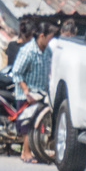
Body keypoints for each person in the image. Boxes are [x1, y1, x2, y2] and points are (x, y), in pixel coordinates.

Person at [8, 21, 55, 163]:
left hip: (41, 93)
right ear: (42, 36)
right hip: (26, 95)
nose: (51, 41)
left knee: (39, 124)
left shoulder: (47, 51)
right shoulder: (28, 50)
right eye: (49, 37)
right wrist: (26, 91)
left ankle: (35, 152)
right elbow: (17, 73)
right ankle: (25, 152)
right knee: (27, 125)